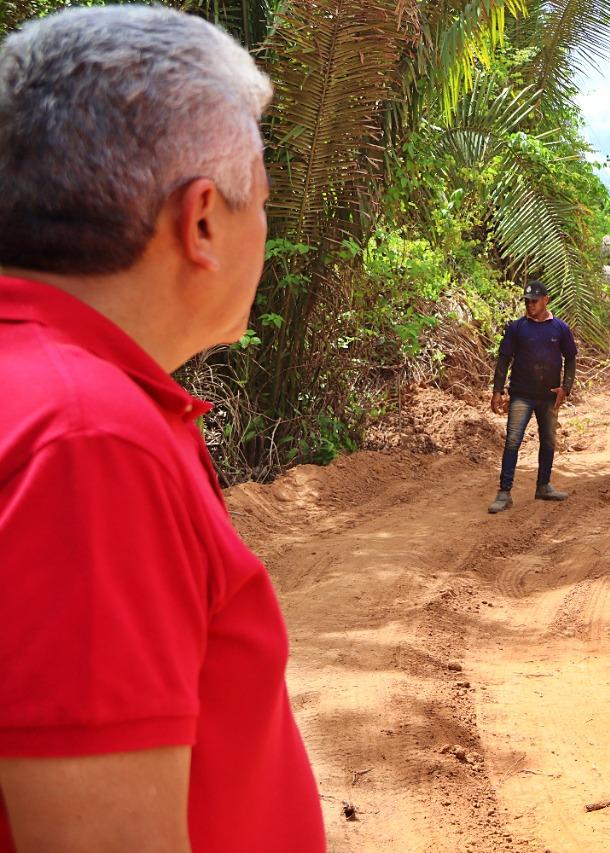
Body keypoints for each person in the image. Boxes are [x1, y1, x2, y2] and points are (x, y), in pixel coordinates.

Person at [0, 7, 324, 851]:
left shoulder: (45, 397)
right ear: (203, 220)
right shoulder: (87, 444)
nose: (267, 228)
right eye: (263, 200)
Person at [488, 279, 578, 513]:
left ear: (546, 300)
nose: (530, 305)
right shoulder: (517, 328)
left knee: (548, 441)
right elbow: (504, 359)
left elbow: (570, 358)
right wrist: (497, 390)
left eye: (534, 301)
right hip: (521, 395)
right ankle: (504, 492)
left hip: (549, 397)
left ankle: (544, 486)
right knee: (512, 441)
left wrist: (565, 388)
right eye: (527, 302)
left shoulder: (560, 329)